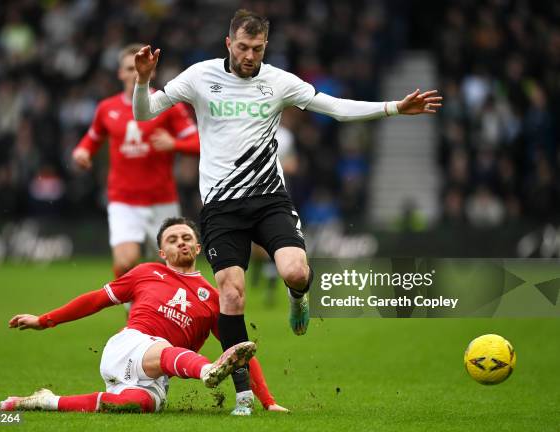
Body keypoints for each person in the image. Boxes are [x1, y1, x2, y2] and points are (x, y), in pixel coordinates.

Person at [132, 9, 443, 411]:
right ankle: (243, 394)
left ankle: (299, 296)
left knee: (295, 271)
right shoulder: (200, 77)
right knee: (231, 295)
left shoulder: (278, 82)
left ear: (266, 46)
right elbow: (144, 113)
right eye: (242, 47)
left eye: (257, 48)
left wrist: (394, 108)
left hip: (269, 200)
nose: (249, 55)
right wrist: (143, 80)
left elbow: (335, 107)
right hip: (221, 208)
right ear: (228, 43)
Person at [0, 217, 287, 415]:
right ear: (162, 251)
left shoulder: (213, 299)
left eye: (187, 238)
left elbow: (238, 353)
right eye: (173, 240)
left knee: (135, 405)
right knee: (163, 349)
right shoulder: (146, 272)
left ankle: (46, 401)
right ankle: (206, 371)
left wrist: (269, 401)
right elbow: (96, 300)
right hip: (130, 346)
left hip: (155, 376)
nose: (181, 243)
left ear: (199, 248)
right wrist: (44, 320)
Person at [72, 44, 199, 281]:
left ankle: (160, 311)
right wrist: (81, 154)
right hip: (124, 200)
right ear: (120, 73)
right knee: (125, 261)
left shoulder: (168, 106)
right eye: (130, 68)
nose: (135, 73)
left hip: (162, 200)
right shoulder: (106, 109)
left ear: (151, 71)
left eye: (139, 68)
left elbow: (199, 143)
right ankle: (133, 312)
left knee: (172, 267)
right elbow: (90, 140)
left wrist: (175, 144)